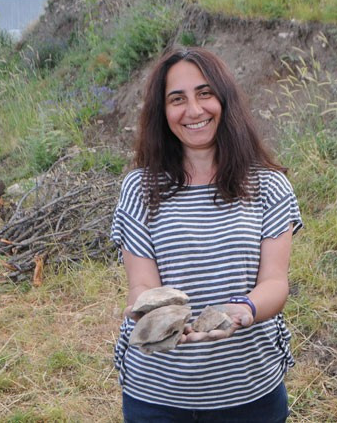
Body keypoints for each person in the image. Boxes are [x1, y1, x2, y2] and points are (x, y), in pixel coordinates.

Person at [111, 47, 302, 422]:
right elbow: (142, 285)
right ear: (162, 113)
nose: (194, 110)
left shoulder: (270, 186)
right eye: (177, 99)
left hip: (249, 391)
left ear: (224, 100)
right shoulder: (139, 188)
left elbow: (276, 284)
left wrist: (243, 311)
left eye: (205, 93)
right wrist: (144, 309)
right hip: (158, 394)